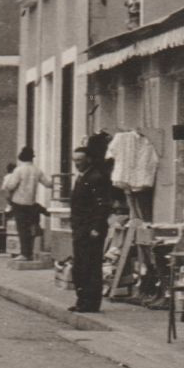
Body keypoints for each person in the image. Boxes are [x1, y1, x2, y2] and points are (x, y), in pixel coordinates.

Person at [68, 131, 116, 313]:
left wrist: (96, 227)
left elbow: (103, 205)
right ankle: (82, 300)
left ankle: (90, 302)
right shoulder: (83, 177)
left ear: (88, 159)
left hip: (90, 230)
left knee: (90, 266)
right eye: (75, 161)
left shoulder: (96, 178)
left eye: (79, 160)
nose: (77, 164)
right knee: (80, 265)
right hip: (80, 228)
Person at [3, 146, 51, 261]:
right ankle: (29, 252)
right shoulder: (37, 170)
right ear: (32, 158)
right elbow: (48, 183)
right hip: (31, 203)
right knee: (30, 229)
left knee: (22, 229)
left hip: (18, 202)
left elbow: (10, 186)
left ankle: (25, 254)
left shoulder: (18, 170)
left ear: (22, 157)